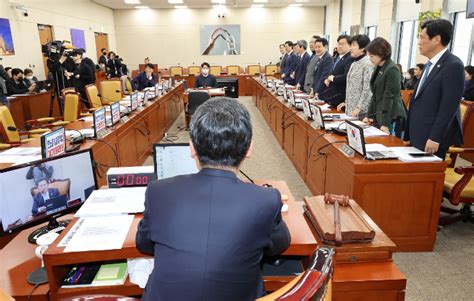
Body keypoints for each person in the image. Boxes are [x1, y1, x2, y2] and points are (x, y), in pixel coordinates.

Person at [136, 97, 291, 301]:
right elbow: (279, 244)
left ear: (192, 148)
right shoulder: (267, 200)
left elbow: (144, 244)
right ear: (249, 149)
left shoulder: (158, 191)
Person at [406, 19, 464, 157]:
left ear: (436, 39)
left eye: (422, 37)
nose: (419, 42)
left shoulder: (453, 65)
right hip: (417, 133)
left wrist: (435, 137)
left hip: (431, 138)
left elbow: (449, 106)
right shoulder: (429, 64)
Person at [364, 37, 406, 136]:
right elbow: (374, 95)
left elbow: (389, 97)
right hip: (380, 113)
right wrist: (369, 116)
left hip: (391, 115)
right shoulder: (379, 67)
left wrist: (385, 123)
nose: (370, 59)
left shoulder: (392, 69)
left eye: (372, 56)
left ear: (381, 53)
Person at [337, 34, 374, 117]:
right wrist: (346, 102)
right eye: (351, 45)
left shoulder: (368, 64)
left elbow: (367, 89)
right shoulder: (354, 63)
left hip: (360, 112)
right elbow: (351, 86)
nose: (350, 48)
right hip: (350, 109)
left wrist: (359, 107)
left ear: (363, 48)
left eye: (354, 45)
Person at [323, 35, 355, 107]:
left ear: (349, 45)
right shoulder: (337, 57)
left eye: (342, 44)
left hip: (341, 96)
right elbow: (332, 71)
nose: (339, 46)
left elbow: (347, 76)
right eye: (338, 44)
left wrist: (332, 78)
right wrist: (327, 78)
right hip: (332, 94)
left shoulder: (350, 58)